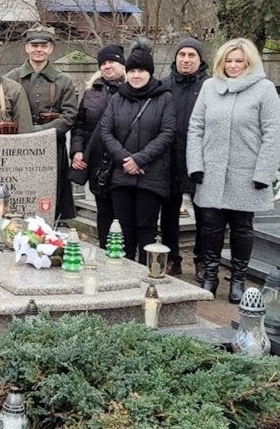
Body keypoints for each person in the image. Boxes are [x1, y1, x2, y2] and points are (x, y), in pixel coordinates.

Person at [186, 38, 280, 303]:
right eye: (229, 60)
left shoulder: (264, 89)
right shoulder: (209, 87)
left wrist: (264, 172)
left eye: (239, 61)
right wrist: (196, 165)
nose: (233, 65)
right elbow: (196, 127)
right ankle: (210, 276)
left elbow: (273, 133)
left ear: (249, 63)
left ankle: (238, 279)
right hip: (212, 173)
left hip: (246, 173)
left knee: (242, 228)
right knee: (211, 227)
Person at [98, 39, 175, 264]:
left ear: (149, 73)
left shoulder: (164, 98)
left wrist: (140, 159)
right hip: (121, 174)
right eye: (132, 71)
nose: (136, 75)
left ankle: (145, 270)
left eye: (141, 71)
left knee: (146, 227)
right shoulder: (117, 98)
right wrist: (124, 158)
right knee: (123, 226)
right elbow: (106, 131)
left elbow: (167, 133)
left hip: (151, 175)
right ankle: (125, 267)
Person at [5, 24, 78, 221]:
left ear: (51, 48)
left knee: (51, 197)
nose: (39, 50)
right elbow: (4, 111)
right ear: (26, 47)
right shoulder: (11, 79)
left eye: (44, 46)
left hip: (53, 147)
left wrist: (42, 130)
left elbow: (69, 115)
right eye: (34, 45)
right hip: (18, 147)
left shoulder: (64, 81)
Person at [159, 38, 209, 279]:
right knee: (169, 213)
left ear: (200, 60)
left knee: (203, 213)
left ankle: (201, 260)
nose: (186, 60)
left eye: (191, 55)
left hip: (199, 159)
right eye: (182, 55)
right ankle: (172, 258)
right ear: (175, 58)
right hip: (168, 159)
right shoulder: (164, 85)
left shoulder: (210, 86)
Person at [69, 44, 126, 248]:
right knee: (103, 212)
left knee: (121, 213)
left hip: (120, 162)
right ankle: (103, 250)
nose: (107, 66)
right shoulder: (92, 91)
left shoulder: (130, 90)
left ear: (122, 64)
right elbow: (79, 125)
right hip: (95, 161)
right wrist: (76, 151)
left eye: (112, 61)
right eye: (103, 63)